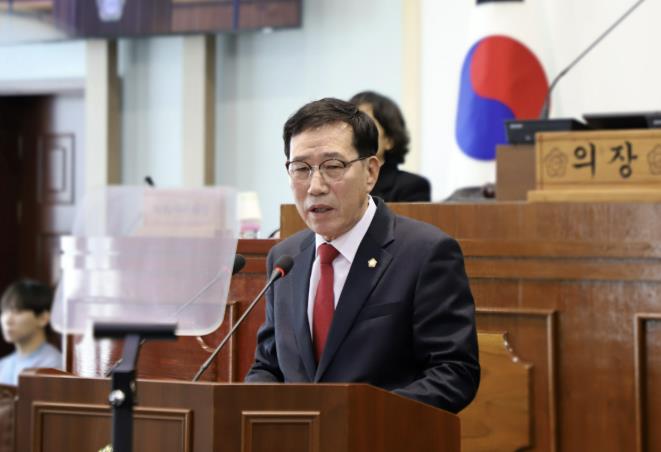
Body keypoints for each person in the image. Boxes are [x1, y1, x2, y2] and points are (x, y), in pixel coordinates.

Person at [245, 98, 480, 413]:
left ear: (370, 172)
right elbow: (268, 365)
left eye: (333, 166)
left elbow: (454, 372)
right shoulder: (284, 258)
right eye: (301, 169)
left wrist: (359, 420)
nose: (315, 186)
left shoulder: (425, 253)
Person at [349, 91, 431, 202]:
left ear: (389, 141)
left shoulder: (412, 186)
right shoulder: (335, 181)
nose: (355, 133)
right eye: (351, 125)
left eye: (365, 126)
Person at [0, 279, 62, 386]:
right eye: (5, 311)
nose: (7, 320)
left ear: (43, 318)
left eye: (17, 311)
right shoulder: (3, 365)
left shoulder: (53, 365)